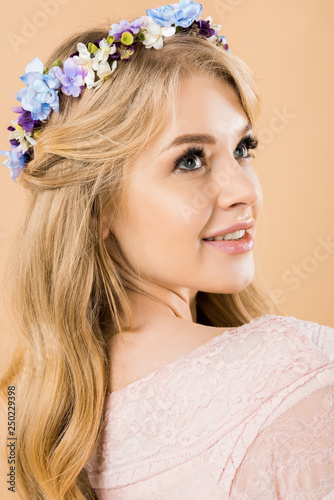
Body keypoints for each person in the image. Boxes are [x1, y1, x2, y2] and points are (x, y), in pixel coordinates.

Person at [0, 1, 333, 499]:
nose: (243, 190)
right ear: (98, 208)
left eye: (243, 149)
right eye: (191, 160)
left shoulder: (28, 420)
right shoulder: (298, 366)